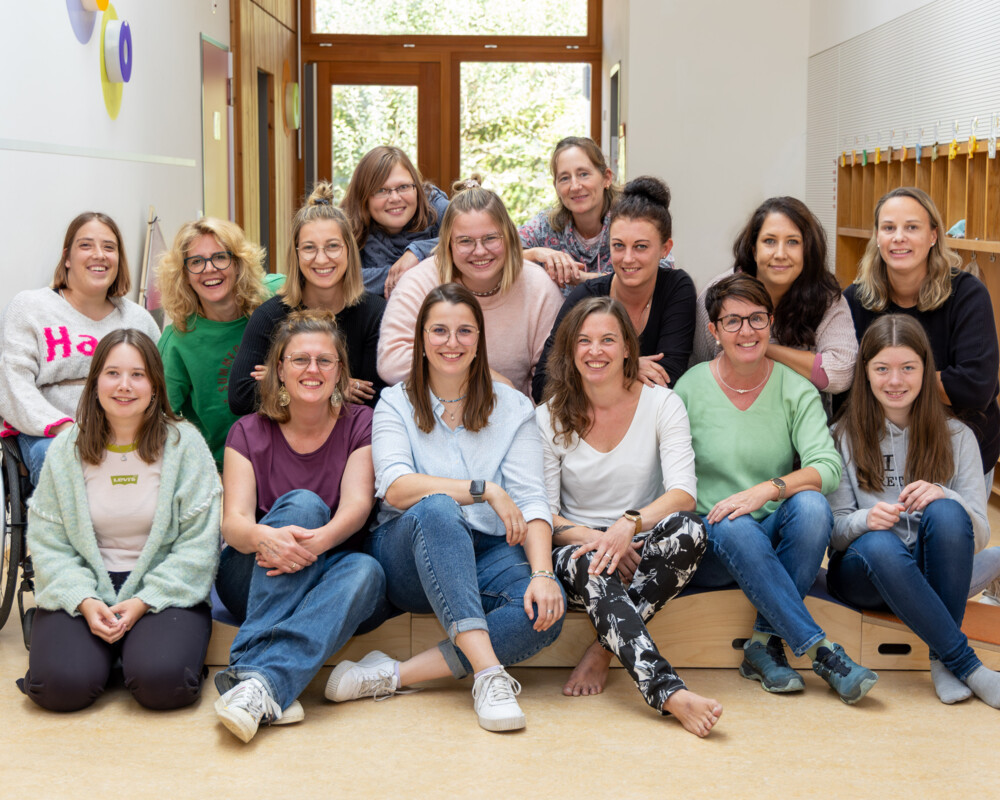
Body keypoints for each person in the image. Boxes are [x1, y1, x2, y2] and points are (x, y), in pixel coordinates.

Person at [327, 285, 564, 732]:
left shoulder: (513, 407)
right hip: (410, 556)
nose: (451, 342)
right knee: (437, 508)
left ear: (479, 340)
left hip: (487, 552)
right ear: (420, 339)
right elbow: (396, 488)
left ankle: (394, 674)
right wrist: (483, 489)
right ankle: (490, 676)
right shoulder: (394, 402)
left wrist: (542, 574)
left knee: (545, 612)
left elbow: (533, 499)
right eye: (438, 330)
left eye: (463, 331)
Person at [675, 273, 878, 704]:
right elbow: (671, 478)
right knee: (732, 522)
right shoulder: (690, 387)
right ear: (713, 331)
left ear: (771, 324)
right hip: (710, 542)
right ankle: (821, 649)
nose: (746, 331)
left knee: (812, 506)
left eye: (756, 318)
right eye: (732, 321)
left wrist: (767, 490)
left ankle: (762, 645)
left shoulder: (794, 387)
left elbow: (827, 467)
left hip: (769, 532)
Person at [536, 296, 721, 737]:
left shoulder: (662, 404)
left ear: (627, 349)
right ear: (570, 349)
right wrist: (601, 541)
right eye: (584, 341)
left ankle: (602, 650)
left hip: (642, 542)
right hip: (578, 547)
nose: (595, 350)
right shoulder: (548, 416)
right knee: (588, 561)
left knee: (691, 531)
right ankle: (668, 691)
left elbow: (682, 494)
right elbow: (544, 514)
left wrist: (628, 525)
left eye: (607, 340)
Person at [19, 329, 220, 712]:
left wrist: (144, 601)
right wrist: (84, 599)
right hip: (88, 585)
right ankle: (106, 655)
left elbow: (198, 544)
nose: (124, 386)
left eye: (138, 374)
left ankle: (129, 654)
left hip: (161, 588)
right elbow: (48, 541)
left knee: (165, 685)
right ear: (95, 383)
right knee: (57, 688)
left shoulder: (185, 445)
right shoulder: (67, 449)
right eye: (112, 373)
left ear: (156, 386)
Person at [213, 310, 391, 743]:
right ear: (279, 369)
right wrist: (267, 537)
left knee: (368, 572)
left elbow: (356, 506)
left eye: (324, 361)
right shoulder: (246, 431)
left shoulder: (360, 424)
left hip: (322, 568)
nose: (313, 370)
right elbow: (234, 524)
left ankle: (258, 684)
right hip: (253, 573)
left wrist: (311, 547)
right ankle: (264, 675)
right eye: (300, 360)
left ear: (340, 371)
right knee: (305, 506)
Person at [828, 314, 1000, 709]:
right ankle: (965, 663)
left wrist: (944, 495)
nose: (895, 381)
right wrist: (865, 520)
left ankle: (941, 656)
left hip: (929, 567)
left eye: (908, 368)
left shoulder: (958, 436)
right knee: (880, 545)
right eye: (882, 369)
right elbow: (834, 532)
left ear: (926, 370)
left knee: (949, 513)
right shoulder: (842, 435)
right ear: (865, 373)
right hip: (864, 573)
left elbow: (980, 532)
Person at [844, 186, 1000, 604]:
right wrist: (915, 378)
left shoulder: (967, 293)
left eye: (912, 227)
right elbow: (845, 379)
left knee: (947, 538)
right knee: (893, 551)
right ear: (876, 236)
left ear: (934, 235)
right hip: (880, 443)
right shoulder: (856, 300)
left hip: (955, 444)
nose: (899, 238)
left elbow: (977, 387)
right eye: (889, 227)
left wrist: (892, 374)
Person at [0, 212, 160, 484]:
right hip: (49, 435)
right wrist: (67, 429)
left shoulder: (138, 320)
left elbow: (159, 385)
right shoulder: (30, 308)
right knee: (62, 456)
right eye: (86, 245)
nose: (99, 254)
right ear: (66, 258)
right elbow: (14, 385)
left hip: (127, 431)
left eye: (109, 247)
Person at [377, 175, 563, 396]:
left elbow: (552, 376)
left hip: (510, 418)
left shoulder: (539, 287)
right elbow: (391, 362)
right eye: (465, 241)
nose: (480, 251)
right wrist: (487, 377)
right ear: (448, 244)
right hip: (432, 416)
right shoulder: (419, 282)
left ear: (510, 237)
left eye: (491, 238)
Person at [531, 176, 696, 402]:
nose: (628, 259)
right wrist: (628, 368)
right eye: (619, 246)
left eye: (640, 247)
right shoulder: (586, 296)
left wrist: (599, 372)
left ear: (665, 248)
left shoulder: (677, 287)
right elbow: (543, 383)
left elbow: (667, 380)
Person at [229, 182, 386, 416]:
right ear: (296, 254)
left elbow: (378, 399)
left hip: (357, 444)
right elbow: (240, 397)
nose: (321, 259)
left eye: (332, 246)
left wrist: (281, 379)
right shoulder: (270, 316)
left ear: (349, 251)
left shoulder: (375, 313)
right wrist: (338, 386)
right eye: (309, 248)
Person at [691, 196, 857, 415]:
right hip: (728, 422)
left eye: (793, 242)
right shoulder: (719, 294)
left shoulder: (827, 299)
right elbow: (697, 369)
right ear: (753, 249)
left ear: (807, 249)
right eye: (769, 241)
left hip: (803, 430)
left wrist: (756, 345)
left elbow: (840, 374)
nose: (780, 254)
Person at [157, 217, 284, 470]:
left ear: (238, 263)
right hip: (224, 469)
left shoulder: (279, 294)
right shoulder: (177, 341)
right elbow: (159, 419)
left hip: (294, 455)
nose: (209, 269)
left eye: (220, 257)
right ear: (183, 275)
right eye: (196, 262)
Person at [340, 145, 449, 297]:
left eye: (403, 187)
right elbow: (339, 276)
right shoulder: (347, 223)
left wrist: (417, 252)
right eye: (381, 190)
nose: (395, 198)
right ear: (363, 197)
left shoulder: (434, 204)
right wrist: (403, 273)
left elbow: (468, 235)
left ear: (416, 187)